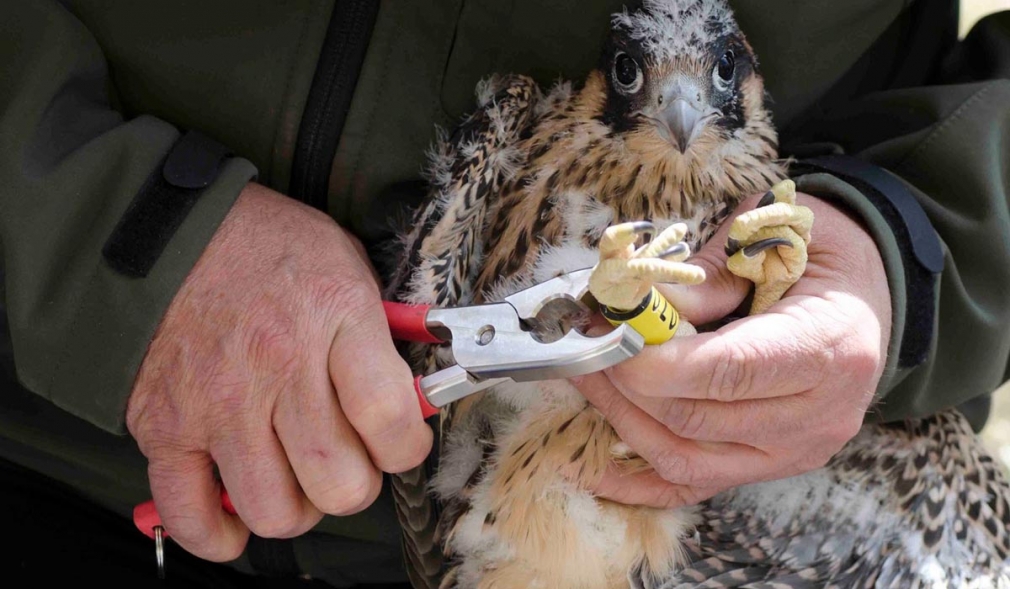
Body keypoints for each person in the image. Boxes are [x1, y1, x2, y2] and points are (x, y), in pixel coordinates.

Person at [0, 0, 1007, 586]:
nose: (679, 109)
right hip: (54, 462)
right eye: (633, 74)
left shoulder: (749, 222)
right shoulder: (527, 155)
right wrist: (112, 236)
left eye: (716, 77)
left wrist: (909, 248)